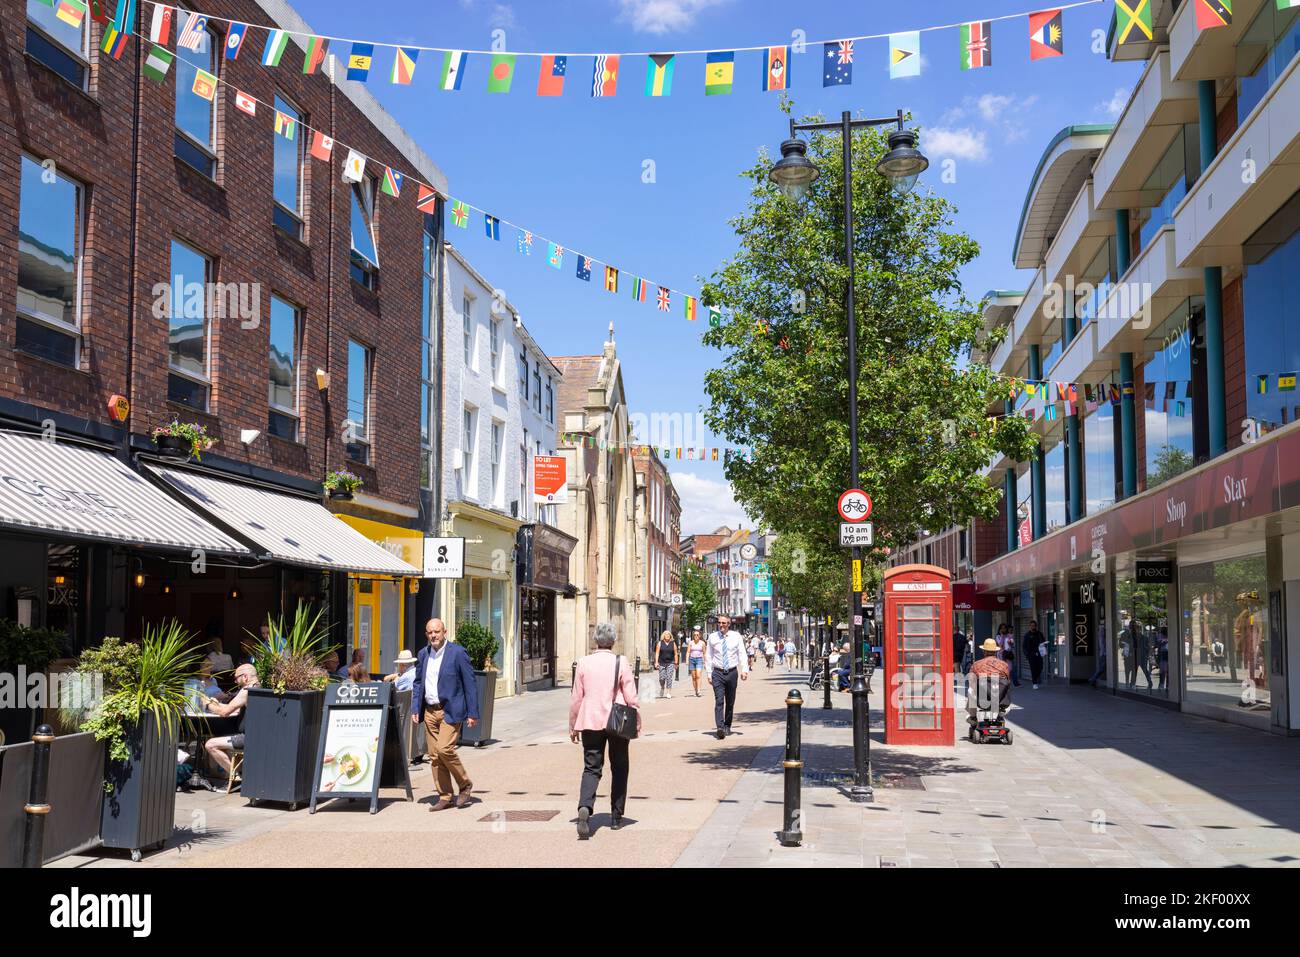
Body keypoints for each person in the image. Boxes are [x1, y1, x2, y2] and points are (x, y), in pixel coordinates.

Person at [569, 621, 640, 839]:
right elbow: (630, 695)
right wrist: (636, 718)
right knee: (619, 767)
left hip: (590, 720)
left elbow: (576, 698)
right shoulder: (621, 662)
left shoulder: (583, 663)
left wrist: (573, 725)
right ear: (613, 641)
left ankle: (585, 807)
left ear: (595, 640)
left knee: (591, 767)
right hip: (617, 721)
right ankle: (616, 817)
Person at [410, 618, 480, 811]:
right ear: (427, 634)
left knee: (444, 749)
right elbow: (418, 683)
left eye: (437, 631)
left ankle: (465, 784)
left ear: (445, 632)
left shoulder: (457, 653)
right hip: (430, 710)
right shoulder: (423, 654)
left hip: (450, 709)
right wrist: (416, 708)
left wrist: (472, 712)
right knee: (434, 756)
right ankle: (446, 796)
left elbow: (470, 683)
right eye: (430, 632)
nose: (434, 635)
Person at [202, 664, 259, 781]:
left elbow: (224, 712)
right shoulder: (259, 687)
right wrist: (215, 704)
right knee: (222, 739)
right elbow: (233, 708)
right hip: (258, 736)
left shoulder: (246, 691)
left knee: (210, 744)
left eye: (236, 677)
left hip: (247, 738)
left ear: (245, 677)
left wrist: (206, 703)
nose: (235, 680)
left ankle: (238, 777)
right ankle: (241, 773)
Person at [705, 615, 749, 739]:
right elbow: (708, 656)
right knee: (719, 700)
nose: (721, 625)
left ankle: (727, 725)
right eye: (719, 622)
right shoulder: (713, 637)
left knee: (730, 701)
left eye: (724, 623)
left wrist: (744, 670)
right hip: (717, 672)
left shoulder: (736, 637)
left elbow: (742, 653)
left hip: (732, 672)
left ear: (729, 624)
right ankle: (719, 727)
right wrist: (709, 673)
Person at [967, 638, 1011, 725]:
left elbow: (971, 682)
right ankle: (1000, 713)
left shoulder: (976, 665)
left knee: (971, 690)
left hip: (982, 700)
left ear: (984, 651)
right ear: (995, 652)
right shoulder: (1004, 665)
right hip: (1001, 700)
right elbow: (1007, 681)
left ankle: (973, 717)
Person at [1022, 619, 1046, 689]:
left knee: (1040, 667)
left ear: (1036, 626)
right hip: (1031, 654)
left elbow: (1043, 642)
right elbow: (1024, 646)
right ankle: (1034, 683)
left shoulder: (1039, 634)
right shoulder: (1027, 635)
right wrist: (1027, 654)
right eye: (1032, 626)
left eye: (1034, 626)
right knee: (1033, 668)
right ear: (1030, 626)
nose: (1033, 627)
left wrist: (1044, 648)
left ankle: (1035, 678)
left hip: (1039, 654)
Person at [655, 630, 678, 699]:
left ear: (670, 636)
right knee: (661, 678)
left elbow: (676, 653)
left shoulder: (673, 643)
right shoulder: (660, 643)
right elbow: (657, 653)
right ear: (663, 636)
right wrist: (656, 662)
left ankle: (668, 692)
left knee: (669, 678)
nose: (667, 636)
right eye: (666, 635)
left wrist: (676, 663)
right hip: (661, 663)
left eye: (668, 635)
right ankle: (662, 687)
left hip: (670, 663)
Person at [687, 627, 706, 696]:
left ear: (700, 636)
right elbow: (688, 652)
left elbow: (704, 653)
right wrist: (687, 660)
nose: (696, 636)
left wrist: (705, 662)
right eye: (695, 635)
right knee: (693, 677)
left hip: (699, 659)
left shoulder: (702, 643)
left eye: (697, 635)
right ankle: (695, 690)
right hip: (692, 659)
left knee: (698, 675)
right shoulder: (691, 643)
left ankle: (698, 690)